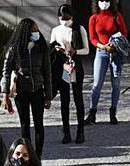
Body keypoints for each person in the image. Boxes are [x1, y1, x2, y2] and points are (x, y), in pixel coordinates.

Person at [2, 19, 53, 156]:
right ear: (26, 32)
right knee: (25, 124)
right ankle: (27, 155)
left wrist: (48, 96)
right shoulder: (15, 49)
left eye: (37, 29)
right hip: (21, 91)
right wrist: (5, 94)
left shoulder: (42, 47)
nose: (37, 32)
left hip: (37, 90)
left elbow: (47, 72)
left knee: (39, 124)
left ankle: (38, 156)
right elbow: (6, 71)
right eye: (33, 30)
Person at [50, 3, 91, 144]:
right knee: (64, 100)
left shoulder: (79, 29)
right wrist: (57, 49)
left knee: (78, 98)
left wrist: (75, 51)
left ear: (72, 16)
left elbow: (87, 49)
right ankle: (66, 132)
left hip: (75, 66)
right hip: (63, 67)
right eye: (61, 18)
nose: (64, 20)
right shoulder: (56, 30)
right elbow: (51, 46)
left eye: (66, 18)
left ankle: (80, 131)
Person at [87, 0, 130, 125]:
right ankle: (92, 112)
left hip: (115, 52)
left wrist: (114, 43)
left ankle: (113, 112)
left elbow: (124, 33)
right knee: (97, 84)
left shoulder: (116, 16)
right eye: (101, 0)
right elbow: (92, 38)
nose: (104, 2)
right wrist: (103, 46)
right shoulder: (94, 18)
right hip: (101, 52)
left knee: (115, 83)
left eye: (106, 0)